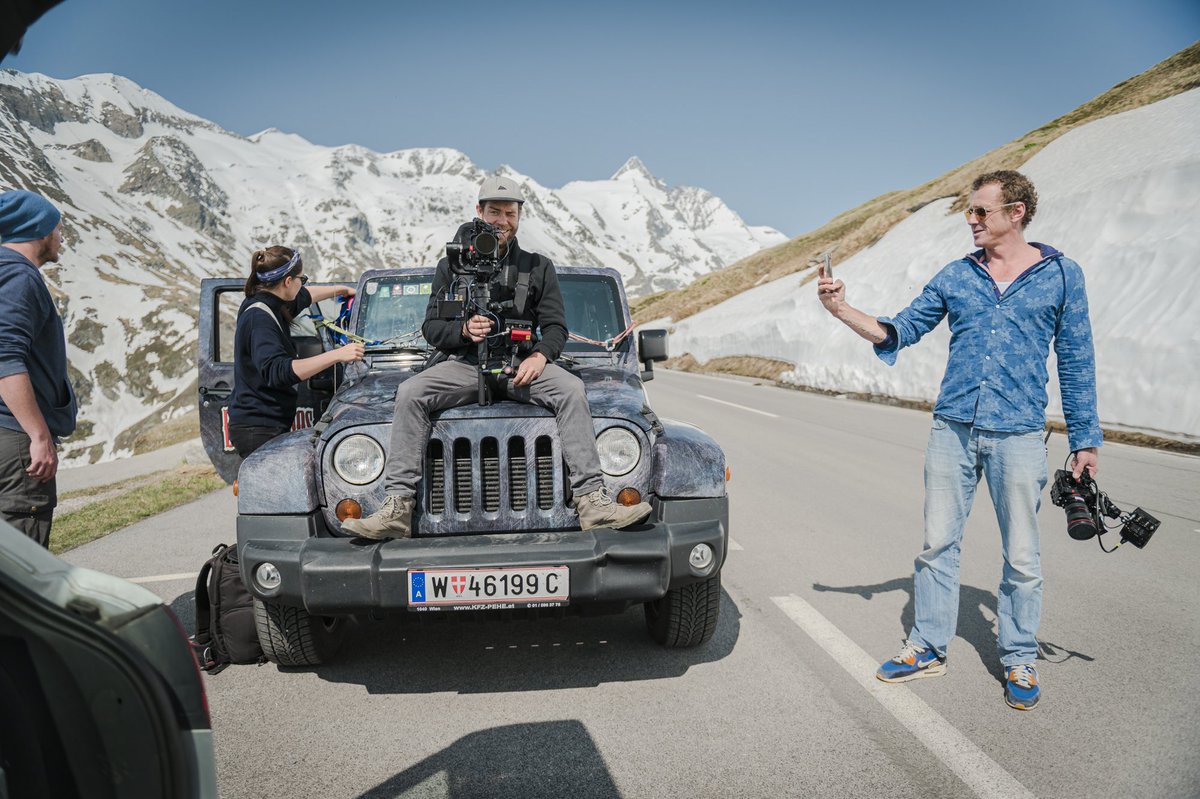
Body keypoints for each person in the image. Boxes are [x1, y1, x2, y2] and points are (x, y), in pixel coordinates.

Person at [817, 170, 1102, 711]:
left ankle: (1018, 653)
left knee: (1022, 554)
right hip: (953, 428)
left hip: (1018, 433)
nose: (971, 221)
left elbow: (1077, 359)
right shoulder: (957, 275)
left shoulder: (1062, 276)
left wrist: (1085, 438)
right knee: (937, 546)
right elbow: (898, 329)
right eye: (970, 212)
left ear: (1016, 213)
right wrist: (840, 309)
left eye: (981, 212)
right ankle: (927, 646)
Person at [342, 177, 652, 539]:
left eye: (509, 212)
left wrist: (540, 356)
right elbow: (431, 328)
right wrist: (463, 332)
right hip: (465, 364)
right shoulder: (452, 265)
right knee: (411, 392)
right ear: (479, 211)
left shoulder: (538, 266)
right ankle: (397, 508)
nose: (502, 220)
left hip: (520, 365)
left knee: (570, 388)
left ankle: (592, 503)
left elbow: (556, 328)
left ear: (519, 216)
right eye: (494, 212)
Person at [226, 246, 363, 458]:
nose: (303, 284)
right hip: (258, 429)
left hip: (265, 424)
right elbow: (278, 371)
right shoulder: (260, 319)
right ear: (288, 282)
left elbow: (303, 297)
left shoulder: (268, 302)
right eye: (302, 278)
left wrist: (341, 290)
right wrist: (337, 354)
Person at [0, 190, 77, 548]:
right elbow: (5, 359)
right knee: (23, 563)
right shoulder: (20, 278)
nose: (60, 236)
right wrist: (39, 437)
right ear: (39, 230)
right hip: (16, 438)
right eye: (57, 227)